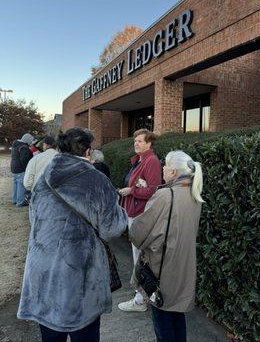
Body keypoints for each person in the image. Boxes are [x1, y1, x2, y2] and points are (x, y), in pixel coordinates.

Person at [17, 127, 128, 342]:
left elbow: (34, 218)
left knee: (50, 333)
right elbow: (112, 227)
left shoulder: (43, 177)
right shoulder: (97, 180)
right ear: (88, 151)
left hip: (42, 272)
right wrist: (121, 211)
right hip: (79, 277)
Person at [129, 150, 204, 342]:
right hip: (183, 267)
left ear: (173, 173)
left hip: (162, 269)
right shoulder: (194, 193)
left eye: (166, 165)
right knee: (177, 317)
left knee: (163, 323)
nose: (162, 168)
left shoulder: (165, 195)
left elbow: (138, 234)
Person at [118, 128, 162, 312]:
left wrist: (132, 191)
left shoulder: (151, 161)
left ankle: (140, 300)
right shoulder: (140, 161)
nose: (136, 143)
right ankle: (141, 296)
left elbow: (154, 190)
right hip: (134, 213)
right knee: (138, 256)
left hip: (141, 216)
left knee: (140, 258)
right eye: (135, 141)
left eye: (141, 141)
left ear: (149, 143)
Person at [10, 133, 34, 207]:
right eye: (31, 140)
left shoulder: (15, 145)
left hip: (14, 168)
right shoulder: (24, 147)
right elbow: (24, 159)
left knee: (15, 185)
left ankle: (14, 200)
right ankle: (20, 202)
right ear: (27, 140)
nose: (31, 142)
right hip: (20, 169)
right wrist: (26, 168)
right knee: (21, 185)